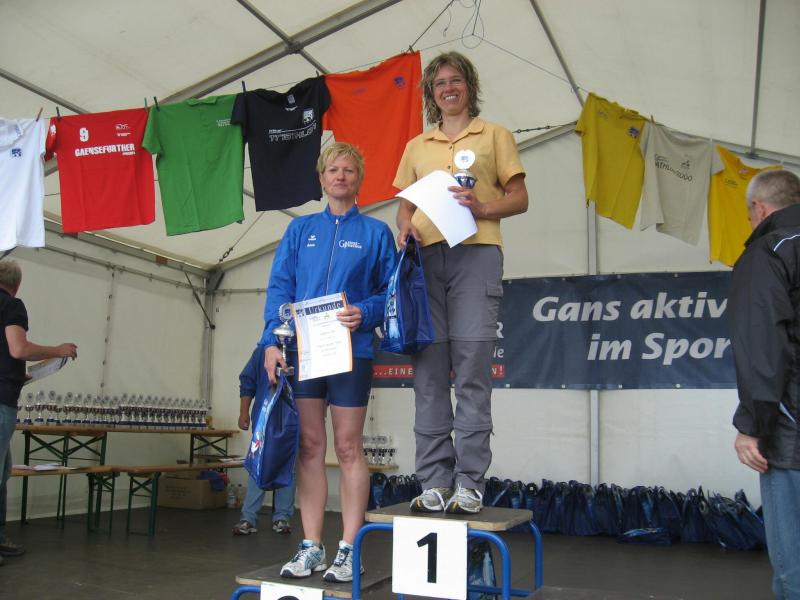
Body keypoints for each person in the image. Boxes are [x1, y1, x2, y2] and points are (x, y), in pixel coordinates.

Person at [393, 51, 529, 514]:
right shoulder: (417, 146)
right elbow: (405, 209)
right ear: (431, 94)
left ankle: (470, 483)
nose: (448, 89)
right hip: (425, 262)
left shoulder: (495, 135)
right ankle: (434, 480)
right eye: (439, 83)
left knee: (472, 368)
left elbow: (519, 197)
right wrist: (404, 229)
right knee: (429, 372)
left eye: (455, 81)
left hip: (477, 253)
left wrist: (482, 207)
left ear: (469, 86)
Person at [259, 142, 395, 582]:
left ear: (359, 180)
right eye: (332, 169)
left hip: (352, 351)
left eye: (348, 170)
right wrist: (271, 342)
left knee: (349, 446)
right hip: (304, 351)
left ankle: (350, 549)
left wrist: (366, 312)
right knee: (310, 446)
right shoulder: (300, 230)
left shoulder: (376, 233)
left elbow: (389, 293)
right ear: (321, 178)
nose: (340, 176)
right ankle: (311, 545)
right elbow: (280, 288)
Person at [728, 169, 800, 599]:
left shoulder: (769, 251)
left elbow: (763, 346)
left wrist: (752, 425)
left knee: (794, 568)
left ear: (759, 208)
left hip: (791, 434)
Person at [0, 259, 77, 566]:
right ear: (17, 284)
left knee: (3, 472)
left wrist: (16, 374)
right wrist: (58, 351)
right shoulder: (11, 305)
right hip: (1, 401)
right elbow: (18, 349)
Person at [232, 346, 296, 536]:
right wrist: (243, 412)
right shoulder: (262, 351)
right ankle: (248, 517)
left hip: (292, 419)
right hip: (264, 417)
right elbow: (247, 380)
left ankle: (282, 517)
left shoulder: (302, 348)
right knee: (257, 463)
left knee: (289, 465)